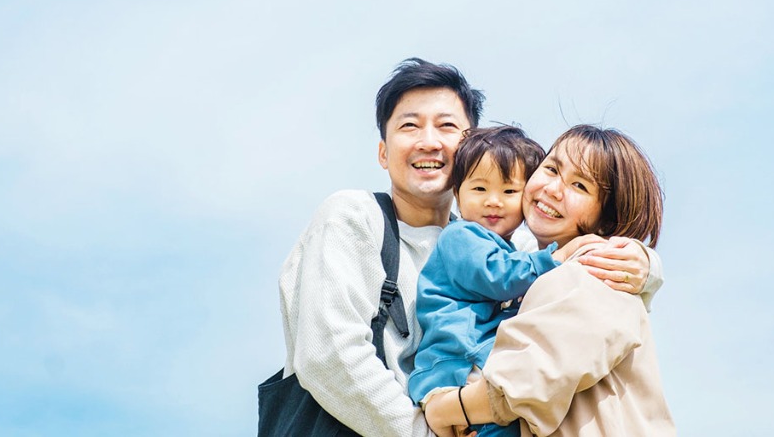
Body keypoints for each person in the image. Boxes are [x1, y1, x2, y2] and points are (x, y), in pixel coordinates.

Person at [275, 59, 656, 437]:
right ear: (383, 153)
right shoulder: (355, 216)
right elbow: (329, 356)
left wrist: (644, 263)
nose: (428, 142)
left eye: (446, 126)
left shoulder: (505, 241)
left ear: (469, 147)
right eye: (409, 126)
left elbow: (573, 265)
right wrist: (428, 430)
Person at [424, 125, 676, 437]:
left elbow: (525, 380)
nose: (554, 189)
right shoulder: (538, 268)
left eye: (580, 186)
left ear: (607, 219)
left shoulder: (594, 270)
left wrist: (446, 409)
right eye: (552, 169)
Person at [409, 126, 605, 437]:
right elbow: (497, 276)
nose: (493, 202)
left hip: (473, 365)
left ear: (526, 197)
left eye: (509, 192)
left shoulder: (511, 250)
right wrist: (554, 259)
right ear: (457, 195)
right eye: (479, 189)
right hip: (457, 365)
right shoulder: (461, 236)